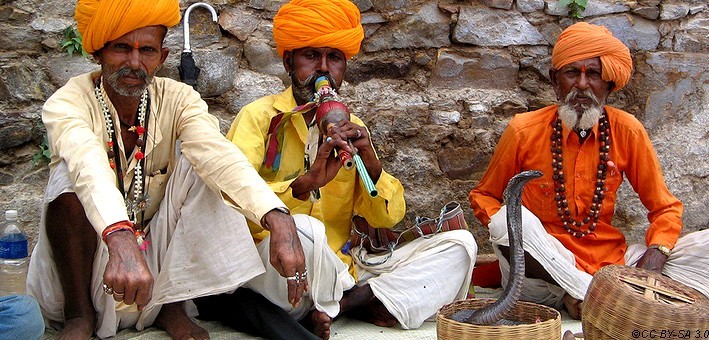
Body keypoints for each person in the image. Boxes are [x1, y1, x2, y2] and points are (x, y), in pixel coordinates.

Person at [26, 0, 308, 338]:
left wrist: (278, 217)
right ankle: (79, 316)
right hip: (94, 263)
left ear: (162, 56)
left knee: (202, 164)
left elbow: (218, 154)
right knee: (66, 176)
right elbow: (87, 163)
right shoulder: (67, 103)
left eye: (146, 50)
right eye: (120, 48)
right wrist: (120, 236)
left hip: (151, 260)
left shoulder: (179, 99)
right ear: (97, 54)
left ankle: (172, 306)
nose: (133, 62)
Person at [203, 0, 478, 338]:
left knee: (460, 245)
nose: (323, 69)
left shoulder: (352, 126)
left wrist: (372, 165)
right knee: (304, 229)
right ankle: (361, 301)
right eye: (311, 56)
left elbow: (386, 220)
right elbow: (230, 205)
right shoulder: (258, 118)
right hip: (277, 269)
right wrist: (305, 184)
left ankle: (345, 304)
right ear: (289, 61)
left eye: (334, 58)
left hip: (342, 268)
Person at [469, 22, 708, 320]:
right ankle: (599, 295)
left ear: (608, 83)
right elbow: (484, 196)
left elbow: (666, 208)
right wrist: (514, 234)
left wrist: (657, 254)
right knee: (507, 220)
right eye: (572, 73)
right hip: (542, 273)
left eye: (593, 74)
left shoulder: (627, 131)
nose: (582, 84)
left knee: (705, 247)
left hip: (613, 265)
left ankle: (590, 294)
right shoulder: (522, 130)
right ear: (555, 81)